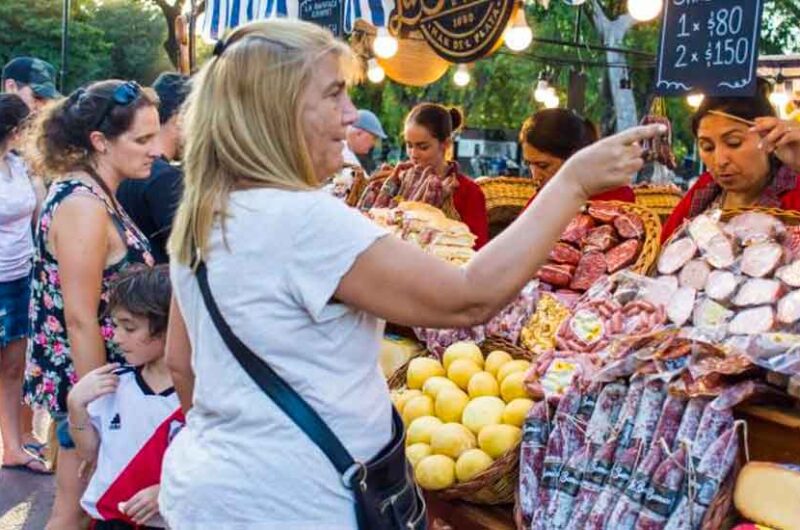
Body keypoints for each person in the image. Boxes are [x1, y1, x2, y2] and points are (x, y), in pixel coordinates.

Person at [159, 19, 664, 529]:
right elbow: (468, 299)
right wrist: (573, 180)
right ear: (279, 109)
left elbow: (181, 361)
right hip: (298, 502)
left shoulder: (207, 209)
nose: (350, 114)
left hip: (214, 489)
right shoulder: (301, 220)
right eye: (334, 94)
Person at [24, 79, 158, 530]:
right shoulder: (84, 204)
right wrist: (93, 411)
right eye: (141, 139)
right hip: (87, 384)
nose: (155, 149)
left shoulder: (94, 194)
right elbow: (79, 319)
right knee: (73, 513)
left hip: (93, 382)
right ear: (100, 141)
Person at [68, 265, 183, 530]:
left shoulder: (200, 393)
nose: (117, 338)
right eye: (115, 326)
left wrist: (164, 491)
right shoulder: (114, 383)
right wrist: (76, 406)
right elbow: (89, 452)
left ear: (170, 327)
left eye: (129, 328)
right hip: (113, 518)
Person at [661, 79, 800, 242]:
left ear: (769, 136)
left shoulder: (794, 188)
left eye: (734, 143)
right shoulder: (704, 190)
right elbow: (663, 248)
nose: (720, 160)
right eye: (707, 147)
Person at [0, 93, 50, 475]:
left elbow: (41, 213)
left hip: (20, 275)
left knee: (14, 366)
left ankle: (12, 446)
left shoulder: (19, 166)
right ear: (15, 131)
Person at [118, 72, 190, 264]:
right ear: (179, 118)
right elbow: (189, 254)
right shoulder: (165, 178)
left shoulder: (126, 168)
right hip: (159, 289)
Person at [404, 103, 490, 248]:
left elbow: (477, 248)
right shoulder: (400, 182)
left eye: (423, 147)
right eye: (409, 145)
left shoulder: (469, 192)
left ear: (446, 144)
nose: (413, 154)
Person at [520, 108, 636, 203]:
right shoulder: (540, 201)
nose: (535, 176)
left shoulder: (616, 200)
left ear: (574, 158)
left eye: (543, 166)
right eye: (529, 164)